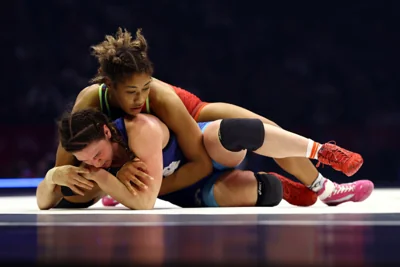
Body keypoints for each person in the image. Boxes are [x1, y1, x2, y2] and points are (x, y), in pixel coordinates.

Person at [48, 27, 372, 208]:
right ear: (110, 87)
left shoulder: (162, 97)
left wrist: (143, 189)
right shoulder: (90, 102)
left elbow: (201, 161)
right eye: (131, 92)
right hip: (148, 152)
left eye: (145, 88)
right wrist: (60, 179)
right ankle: (276, 187)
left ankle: (325, 187)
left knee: (263, 129)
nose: (140, 99)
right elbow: (67, 165)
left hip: (193, 117)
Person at [37, 106, 372, 210]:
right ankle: (280, 185)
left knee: (231, 131)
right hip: (189, 186)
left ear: (108, 133)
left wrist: (108, 182)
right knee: (264, 194)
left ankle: (322, 153)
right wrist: (54, 177)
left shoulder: (142, 127)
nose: (94, 164)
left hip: (204, 151)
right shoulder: (88, 160)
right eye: (87, 160)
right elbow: (45, 202)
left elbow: (145, 202)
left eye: (97, 155)